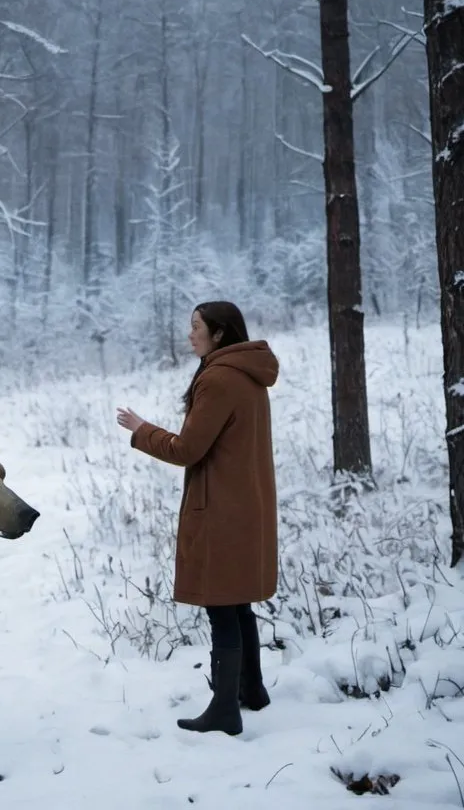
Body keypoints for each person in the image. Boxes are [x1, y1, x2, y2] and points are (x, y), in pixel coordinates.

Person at [116, 300, 279, 737]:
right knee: (237, 601)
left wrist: (141, 429)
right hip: (244, 505)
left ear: (219, 334)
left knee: (222, 606)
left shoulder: (220, 380)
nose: (189, 335)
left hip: (224, 510)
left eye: (196, 327)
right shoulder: (246, 374)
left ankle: (226, 710)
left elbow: (187, 449)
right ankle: (251, 690)